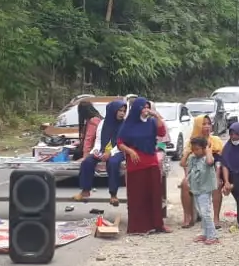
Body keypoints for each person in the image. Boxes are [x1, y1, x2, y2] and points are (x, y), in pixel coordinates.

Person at [117, 97, 170, 234]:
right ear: (137, 109)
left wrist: (157, 115)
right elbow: (120, 142)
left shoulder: (152, 122)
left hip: (151, 160)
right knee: (137, 196)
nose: (146, 110)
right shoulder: (129, 123)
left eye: (147, 107)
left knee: (154, 194)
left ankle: (158, 224)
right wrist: (130, 151)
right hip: (135, 163)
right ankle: (139, 227)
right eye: (143, 107)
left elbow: (162, 133)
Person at [74, 100, 126, 206]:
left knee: (113, 163)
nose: (122, 113)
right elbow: (98, 141)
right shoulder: (102, 123)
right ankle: (85, 191)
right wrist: (96, 151)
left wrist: (110, 153)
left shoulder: (125, 124)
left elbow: (123, 142)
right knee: (87, 162)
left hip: (119, 150)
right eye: (119, 110)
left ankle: (113, 194)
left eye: (124, 111)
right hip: (102, 150)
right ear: (112, 111)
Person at [180, 115, 224, 229]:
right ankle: (188, 217)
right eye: (204, 124)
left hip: (211, 172)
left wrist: (218, 176)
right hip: (195, 173)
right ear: (198, 126)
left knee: (216, 185)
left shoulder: (216, 140)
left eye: (209, 123)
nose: (207, 126)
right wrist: (187, 176)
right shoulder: (192, 142)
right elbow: (186, 163)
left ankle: (215, 218)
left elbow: (219, 161)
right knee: (185, 184)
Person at [186, 136, 220, 245]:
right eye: (193, 149)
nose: (195, 151)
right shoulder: (192, 158)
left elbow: (210, 162)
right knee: (201, 212)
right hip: (196, 188)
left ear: (203, 148)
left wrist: (208, 150)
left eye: (197, 149)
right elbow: (183, 165)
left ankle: (213, 236)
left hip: (205, 189)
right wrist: (186, 153)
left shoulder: (207, 158)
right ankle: (205, 233)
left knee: (206, 212)